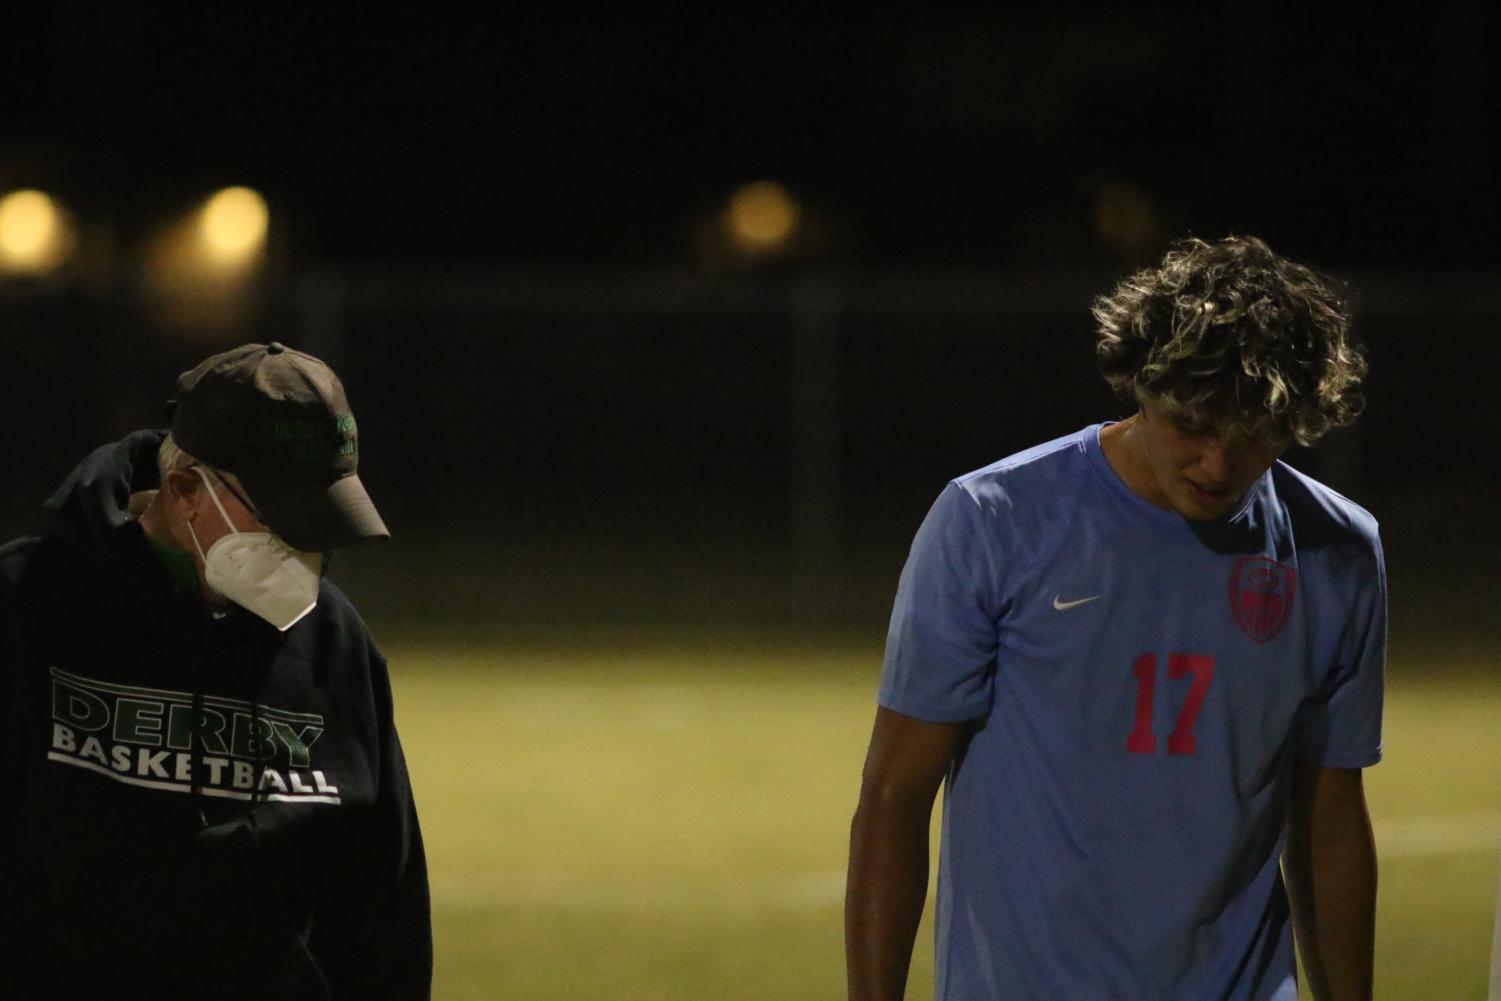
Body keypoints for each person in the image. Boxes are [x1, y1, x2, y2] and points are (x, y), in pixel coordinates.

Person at [846, 236, 1384, 1001]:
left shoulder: (1339, 549)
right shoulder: (993, 519)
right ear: (1140, 381)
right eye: (1192, 425)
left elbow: (1328, 818)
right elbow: (896, 792)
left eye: (1250, 435)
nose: (1216, 466)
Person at [0, 342, 431, 999]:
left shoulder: (333, 643)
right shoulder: (25, 604)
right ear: (184, 490)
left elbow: (378, 902)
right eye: (283, 514)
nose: (307, 542)